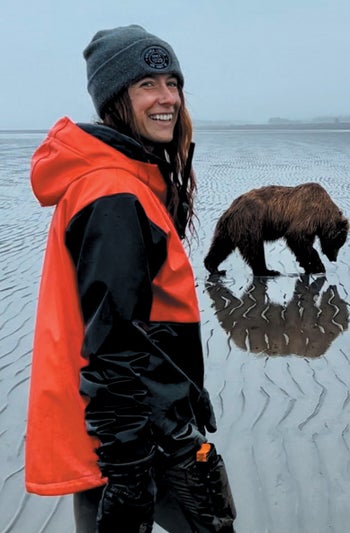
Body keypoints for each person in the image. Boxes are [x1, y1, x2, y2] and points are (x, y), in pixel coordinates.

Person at [25, 25, 235, 532]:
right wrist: (127, 473)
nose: (167, 98)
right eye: (147, 85)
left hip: (135, 425)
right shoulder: (113, 194)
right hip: (134, 435)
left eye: (172, 82)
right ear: (115, 98)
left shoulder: (125, 179)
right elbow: (113, 341)